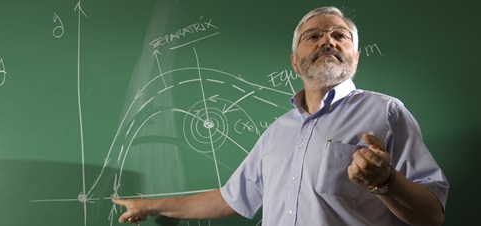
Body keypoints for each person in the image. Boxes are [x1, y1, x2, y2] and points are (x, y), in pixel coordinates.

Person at [113, 6, 449, 226]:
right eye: (313, 36)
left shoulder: (386, 112)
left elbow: (432, 215)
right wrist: (152, 206)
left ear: (355, 57)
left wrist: (385, 181)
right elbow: (229, 199)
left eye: (339, 36)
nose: (327, 41)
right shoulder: (278, 131)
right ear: (294, 61)